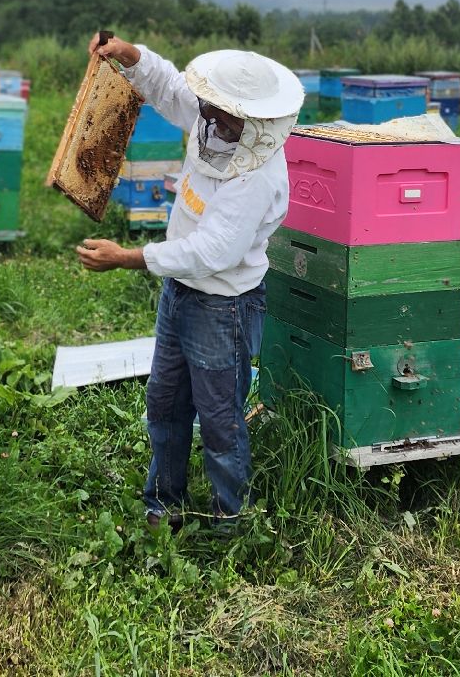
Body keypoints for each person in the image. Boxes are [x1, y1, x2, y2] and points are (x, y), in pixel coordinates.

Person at [75, 33, 304, 531]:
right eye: (211, 110)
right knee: (164, 401)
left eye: (222, 115)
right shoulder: (216, 121)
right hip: (180, 291)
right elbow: (171, 90)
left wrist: (128, 257)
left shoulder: (257, 174)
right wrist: (130, 55)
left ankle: (229, 519)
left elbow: (212, 252)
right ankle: (164, 504)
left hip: (224, 306)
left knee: (220, 416)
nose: (210, 119)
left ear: (254, 121)